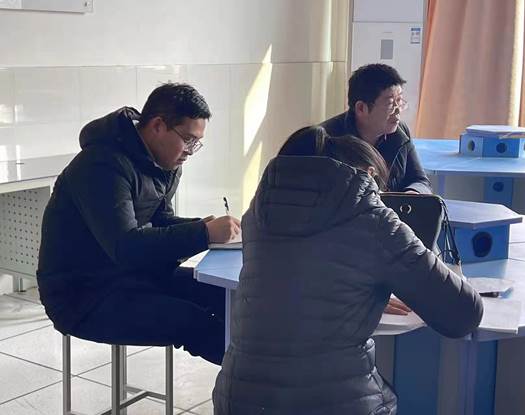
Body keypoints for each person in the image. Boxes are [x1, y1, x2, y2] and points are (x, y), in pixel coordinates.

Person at [212, 126, 482, 414]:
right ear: (368, 174)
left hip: (237, 401)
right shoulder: (373, 219)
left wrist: (361, 291)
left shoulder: (256, 217)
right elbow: (462, 315)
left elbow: (296, 283)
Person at [37, 83, 240, 364]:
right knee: (194, 322)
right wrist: (203, 233)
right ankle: (254, 385)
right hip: (83, 295)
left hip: (132, 275)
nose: (191, 151)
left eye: (196, 143)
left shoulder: (165, 162)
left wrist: (208, 228)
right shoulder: (101, 165)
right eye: (188, 139)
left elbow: (162, 220)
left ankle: (269, 373)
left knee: (232, 296)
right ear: (158, 126)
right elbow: (126, 246)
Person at [321, 63, 432, 194]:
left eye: (399, 101)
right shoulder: (327, 139)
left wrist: (413, 193)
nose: (398, 111)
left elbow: (420, 180)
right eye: (390, 104)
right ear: (361, 108)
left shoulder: (400, 131)